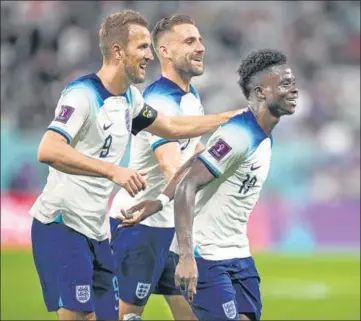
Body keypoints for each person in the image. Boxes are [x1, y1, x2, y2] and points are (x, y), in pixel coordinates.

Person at [29, 10, 241, 321]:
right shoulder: (83, 94)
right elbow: (48, 149)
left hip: (96, 231)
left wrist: (230, 118)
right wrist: (113, 170)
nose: (150, 56)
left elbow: (170, 128)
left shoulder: (130, 99)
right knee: (80, 316)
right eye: (142, 47)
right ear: (118, 51)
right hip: (62, 223)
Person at [119, 48, 299, 321]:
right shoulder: (238, 135)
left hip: (237, 252)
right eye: (285, 84)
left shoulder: (262, 135)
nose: (294, 90)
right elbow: (188, 185)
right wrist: (187, 257)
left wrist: (160, 200)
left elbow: (193, 163)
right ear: (261, 92)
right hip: (206, 255)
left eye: (293, 83)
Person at [109, 14, 205, 320]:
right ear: (163, 51)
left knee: (194, 314)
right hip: (140, 225)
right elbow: (171, 166)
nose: (201, 47)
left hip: (169, 227)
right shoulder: (159, 100)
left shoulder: (191, 97)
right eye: (189, 41)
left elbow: (195, 152)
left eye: (200, 39)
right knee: (128, 316)